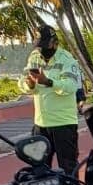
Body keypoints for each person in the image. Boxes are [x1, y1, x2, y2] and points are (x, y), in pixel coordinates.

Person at [18, 25, 82, 174]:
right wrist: (29, 84)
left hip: (63, 124)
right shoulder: (34, 56)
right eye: (38, 45)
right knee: (39, 169)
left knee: (68, 168)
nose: (41, 50)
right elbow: (22, 82)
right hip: (41, 124)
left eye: (44, 45)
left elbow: (71, 86)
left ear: (54, 43)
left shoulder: (67, 59)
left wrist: (48, 81)